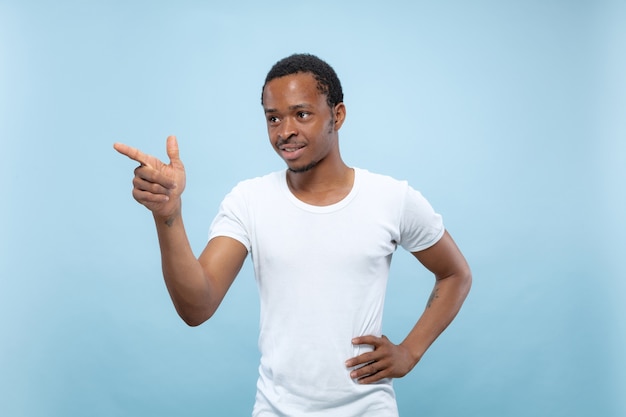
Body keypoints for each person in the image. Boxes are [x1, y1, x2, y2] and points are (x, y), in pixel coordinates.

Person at [114, 53, 471, 416]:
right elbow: (197, 306)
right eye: (273, 118)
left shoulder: (391, 198)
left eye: (302, 114)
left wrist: (410, 352)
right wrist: (168, 214)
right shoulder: (249, 201)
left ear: (338, 115)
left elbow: (456, 273)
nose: (285, 131)